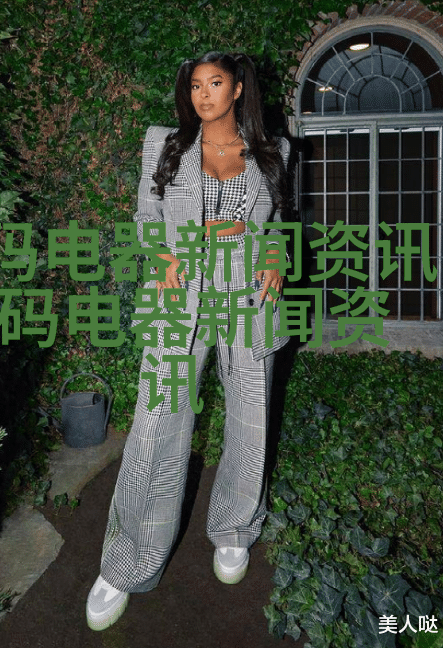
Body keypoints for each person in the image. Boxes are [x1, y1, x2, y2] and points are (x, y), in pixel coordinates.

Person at [86, 51, 291, 631]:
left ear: (238, 89)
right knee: (157, 418)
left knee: (250, 413)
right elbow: (145, 215)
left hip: (247, 288)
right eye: (196, 85)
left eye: (215, 83)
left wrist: (275, 255)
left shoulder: (273, 150)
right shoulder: (164, 143)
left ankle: (234, 529)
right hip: (180, 289)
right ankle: (127, 561)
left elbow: (281, 217)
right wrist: (162, 253)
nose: (204, 94)